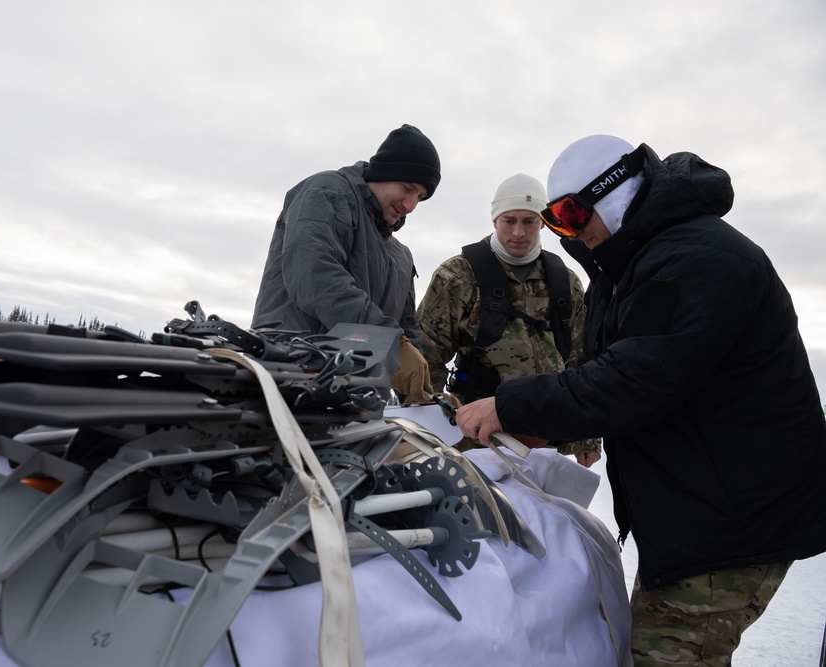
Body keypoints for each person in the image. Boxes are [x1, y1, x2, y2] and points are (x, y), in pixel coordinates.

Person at [454, 134, 826, 665]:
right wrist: (548, 427)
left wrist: (509, 405)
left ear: (614, 193)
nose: (568, 231)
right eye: (556, 221)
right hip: (701, 511)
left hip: (735, 523)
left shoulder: (696, 259)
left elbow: (634, 380)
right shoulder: (632, 263)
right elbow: (609, 370)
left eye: (570, 214)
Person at [417, 173, 601, 467]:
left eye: (529, 221)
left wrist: (588, 436)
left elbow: (584, 359)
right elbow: (425, 357)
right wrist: (435, 427)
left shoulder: (565, 280)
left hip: (552, 437)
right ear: (494, 221)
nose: (519, 232)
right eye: (509, 220)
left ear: (542, 222)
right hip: (477, 439)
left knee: (553, 514)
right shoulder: (457, 276)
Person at [251, 124, 441, 403]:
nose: (411, 205)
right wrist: (389, 344)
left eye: (420, 198)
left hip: (358, 400)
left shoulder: (401, 256)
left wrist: (422, 394)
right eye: (408, 188)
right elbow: (316, 277)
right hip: (290, 378)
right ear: (384, 173)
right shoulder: (325, 193)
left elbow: (407, 328)